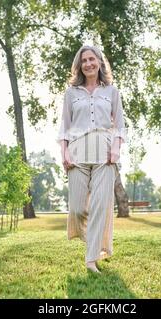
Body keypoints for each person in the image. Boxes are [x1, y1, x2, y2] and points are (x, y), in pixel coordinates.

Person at [56, 45, 127, 273]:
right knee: (77, 209)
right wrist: (64, 153)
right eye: (84, 60)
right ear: (79, 65)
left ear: (99, 62)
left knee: (100, 206)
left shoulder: (112, 92)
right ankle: (95, 241)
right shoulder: (71, 94)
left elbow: (120, 126)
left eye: (91, 59)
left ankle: (91, 258)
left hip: (105, 154)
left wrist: (116, 149)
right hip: (77, 152)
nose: (88, 64)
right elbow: (64, 128)